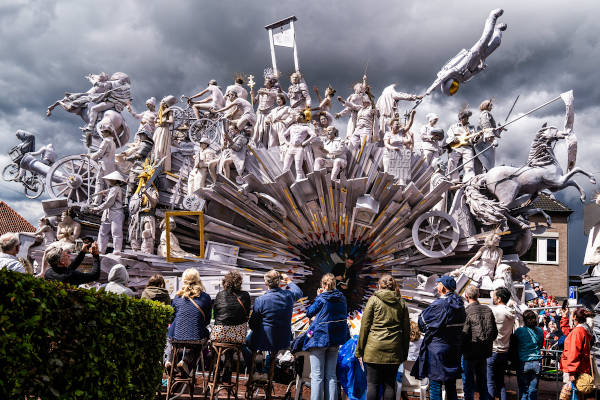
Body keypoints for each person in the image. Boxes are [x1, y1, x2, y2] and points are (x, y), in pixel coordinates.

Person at [356, 274, 410, 400]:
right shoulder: (401, 303)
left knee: (372, 385)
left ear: (379, 285)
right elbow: (406, 331)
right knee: (390, 385)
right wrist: (404, 353)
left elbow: (364, 327)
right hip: (394, 350)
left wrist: (359, 350)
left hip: (373, 349)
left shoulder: (373, 300)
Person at [412, 275, 466, 400]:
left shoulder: (439, 304)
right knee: (450, 384)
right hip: (454, 349)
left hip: (437, 350)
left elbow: (422, 322)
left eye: (439, 284)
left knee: (435, 385)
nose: (437, 286)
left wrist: (430, 330)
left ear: (444, 288)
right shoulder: (460, 304)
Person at [303, 273, 350, 400]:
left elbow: (309, 312)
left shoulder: (322, 298)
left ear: (323, 285)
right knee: (331, 375)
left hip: (320, 339)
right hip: (335, 339)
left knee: (317, 375)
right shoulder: (342, 298)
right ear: (335, 284)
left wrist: (318, 296)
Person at [248, 270, 303, 372]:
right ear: (279, 282)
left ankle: (255, 371)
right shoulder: (288, 296)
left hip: (264, 338)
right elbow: (299, 292)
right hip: (283, 338)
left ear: (266, 283)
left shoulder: (261, 300)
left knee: (246, 342)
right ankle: (267, 371)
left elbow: (252, 324)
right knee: (272, 349)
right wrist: (288, 280)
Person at [167, 268, 212, 376]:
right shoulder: (205, 297)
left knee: (170, 338)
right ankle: (186, 362)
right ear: (198, 280)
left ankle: (169, 361)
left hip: (176, 336)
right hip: (196, 336)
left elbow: (172, 317)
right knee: (203, 339)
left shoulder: (177, 297)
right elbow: (207, 320)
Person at [211, 271, 251, 382]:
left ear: (225, 282)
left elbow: (217, 314)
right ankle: (228, 366)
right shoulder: (245, 295)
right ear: (239, 282)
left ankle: (216, 365)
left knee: (217, 342)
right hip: (237, 335)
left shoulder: (220, 295)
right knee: (232, 342)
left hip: (220, 332)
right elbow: (246, 315)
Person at [461, 285, 497, 400]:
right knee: (482, 382)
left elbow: (464, 333)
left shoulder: (466, 311)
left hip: (469, 352)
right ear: (478, 295)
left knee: (468, 382)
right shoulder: (488, 310)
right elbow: (494, 332)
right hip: (484, 352)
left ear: (466, 296)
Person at [487, 286, 517, 400]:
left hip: (493, 350)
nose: (493, 298)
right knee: (500, 383)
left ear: (499, 298)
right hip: (504, 350)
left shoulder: (494, 311)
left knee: (489, 382)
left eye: (494, 295)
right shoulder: (511, 313)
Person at [91, 171, 125, 255]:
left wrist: (97, 208)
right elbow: (112, 200)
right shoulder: (113, 189)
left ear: (115, 180)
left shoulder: (115, 189)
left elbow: (110, 202)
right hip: (108, 213)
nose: (109, 180)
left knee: (115, 232)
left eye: (111, 179)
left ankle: (116, 250)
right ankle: (101, 250)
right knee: (103, 232)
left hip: (116, 212)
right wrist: (106, 196)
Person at [561, 308, 594, 389]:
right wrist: (564, 317)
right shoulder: (582, 328)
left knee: (573, 393)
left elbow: (574, 352)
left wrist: (572, 371)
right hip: (580, 367)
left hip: (576, 370)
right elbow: (568, 331)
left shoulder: (578, 331)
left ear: (575, 317)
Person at [514, 310, 544, 400]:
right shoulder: (539, 330)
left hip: (523, 362)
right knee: (533, 391)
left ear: (524, 319)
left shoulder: (519, 331)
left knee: (523, 391)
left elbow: (514, 345)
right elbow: (540, 345)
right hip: (537, 362)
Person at [446, 110, 477, 182]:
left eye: (467, 117)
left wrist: (477, 137)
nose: (466, 119)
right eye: (465, 117)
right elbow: (449, 137)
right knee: (452, 161)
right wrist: (453, 139)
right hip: (457, 147)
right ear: (460, 118)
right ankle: (454, 180)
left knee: (469, 164)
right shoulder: (453, 126)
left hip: (468, 147)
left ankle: (469, 180)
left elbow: (474, 139)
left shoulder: (471, 127)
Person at [152, 95, 177, 172]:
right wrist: (156, 120)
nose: (160, 103)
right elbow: (155, 122)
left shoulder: (168, 111)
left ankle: (161, 165)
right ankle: (153, 163)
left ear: (165, 103)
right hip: (158, 130)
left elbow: (171, 121)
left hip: (164, 131)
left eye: (162, 101)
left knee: (161, 147)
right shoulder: (159, 112)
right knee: (154, 147)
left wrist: (164, 121)